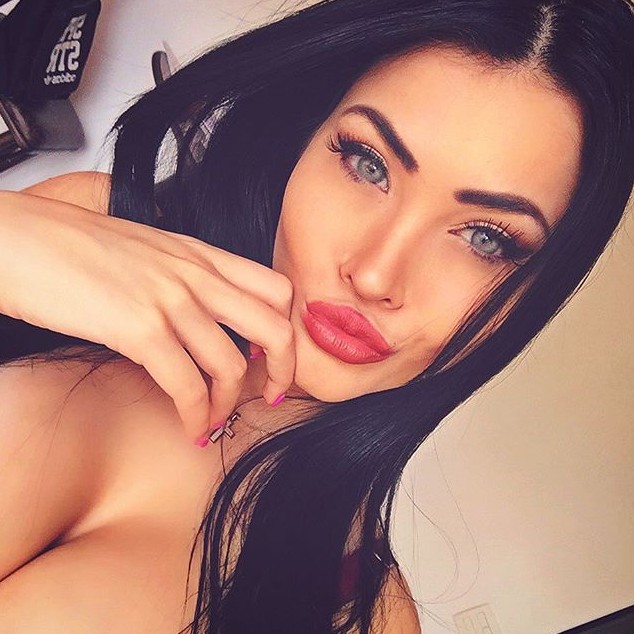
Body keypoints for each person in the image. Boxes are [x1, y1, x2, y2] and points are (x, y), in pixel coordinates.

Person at [0, 0, 632, 632]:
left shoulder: (362, 619)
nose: (376, 274)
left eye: (486, 239)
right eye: (368, 164)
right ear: (305, 137)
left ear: (534, 292)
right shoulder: (93, 225)